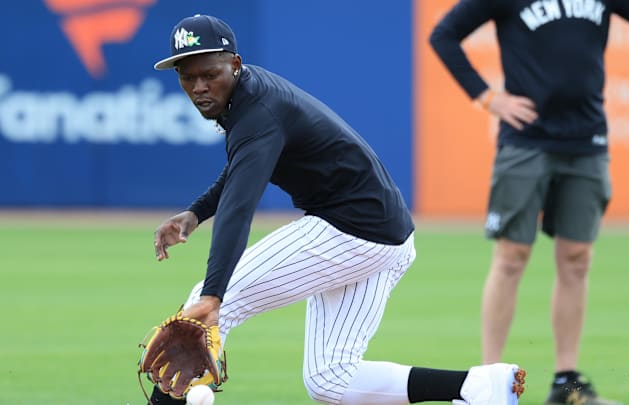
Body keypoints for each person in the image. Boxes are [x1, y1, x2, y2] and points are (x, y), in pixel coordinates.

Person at [147, 14, 526, 405]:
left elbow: (239, 209)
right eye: (187, 77)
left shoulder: (258, 112)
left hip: (349, 230)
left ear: (235, 64)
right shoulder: (248, 98)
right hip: (388, 237)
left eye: (209, 74)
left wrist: (212, 295)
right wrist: (196, 212)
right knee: (331, 380)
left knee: (206, 305)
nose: (199, 87)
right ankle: (479, 388)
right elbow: (243, 168)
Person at [429, 1, 629, 404]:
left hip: (587, 139)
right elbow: (443, 35)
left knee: (577, 258)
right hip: (526, 142)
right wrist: (488, 97)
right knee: (511, 258)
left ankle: (567, 384)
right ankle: (488, 385)